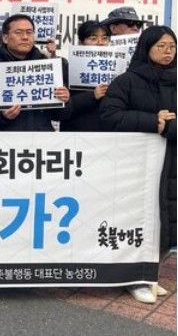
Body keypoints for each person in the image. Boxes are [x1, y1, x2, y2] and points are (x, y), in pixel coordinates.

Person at [100, 25, 176, 304]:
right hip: (137, 166)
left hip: (173, 163)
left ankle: (150, 275)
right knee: (139, 219)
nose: (168, 52)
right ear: (146, 48)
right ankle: (135, 278)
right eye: (161, 46)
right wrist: (151, 121)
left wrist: (169, 127)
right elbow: (109, 117)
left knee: (169, 221)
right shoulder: (127, 81)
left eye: (172, 46)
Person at [0, 14, 70, 131]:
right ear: (5, 38)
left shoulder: (46, 66)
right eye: (18, 32)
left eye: (29, 32)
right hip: (3, 139)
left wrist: (65, 101)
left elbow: (62, 115)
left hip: (41, 138)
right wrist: (1, 115)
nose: (25, 37)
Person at [58, 21, 111, 132]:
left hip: (108, 133)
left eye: (104, 38)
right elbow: (63, 108)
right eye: (93, 38)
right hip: (76, 133)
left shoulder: (116, 69)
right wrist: (92, 96)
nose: (100, 43)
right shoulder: (68, 69)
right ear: (81, 43)